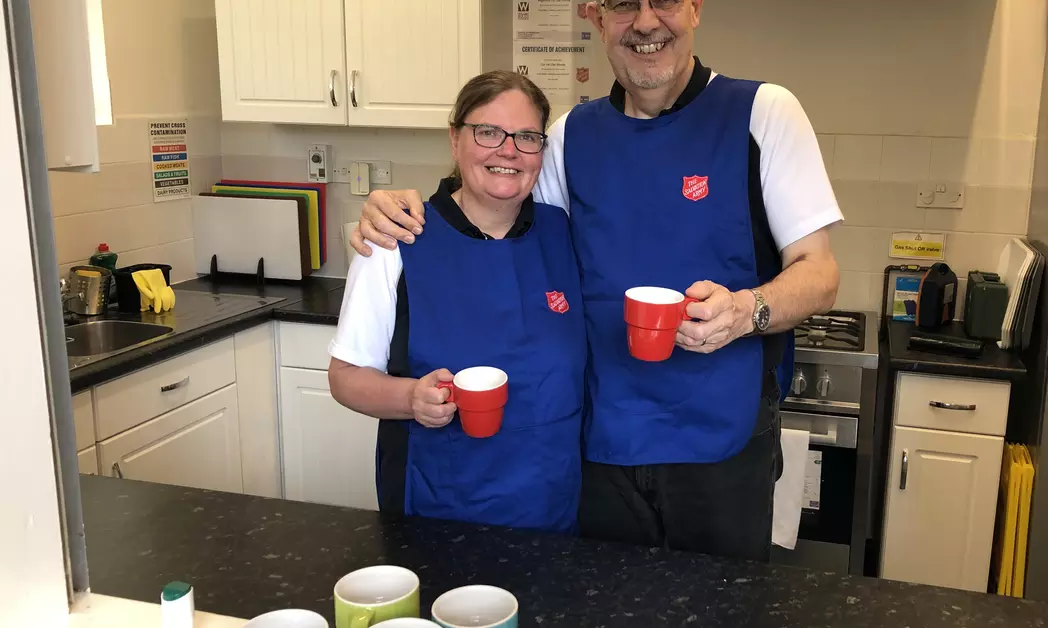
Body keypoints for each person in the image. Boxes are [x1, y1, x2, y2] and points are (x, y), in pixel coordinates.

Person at [350, 0, 842, 561]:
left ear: (695, 9)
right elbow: (497, 209)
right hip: (600, 445)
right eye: (624, 4)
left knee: (719, 601)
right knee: (602, 599)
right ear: (597, 17)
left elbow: (821, 273)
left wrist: (746, 311)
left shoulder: (763, 112)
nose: (647, 22)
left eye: (664, 2)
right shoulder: (570, 136)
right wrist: (399, 211)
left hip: (722, 438)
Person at [326, 71, 586, 534]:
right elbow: (344, 378)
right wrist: (411, 398)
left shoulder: (565, 233)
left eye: (527, 137)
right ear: (455, 139)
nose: (508, 150)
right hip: (438, 504)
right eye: (487, 132)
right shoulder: (396, 240)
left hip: (552, 502)